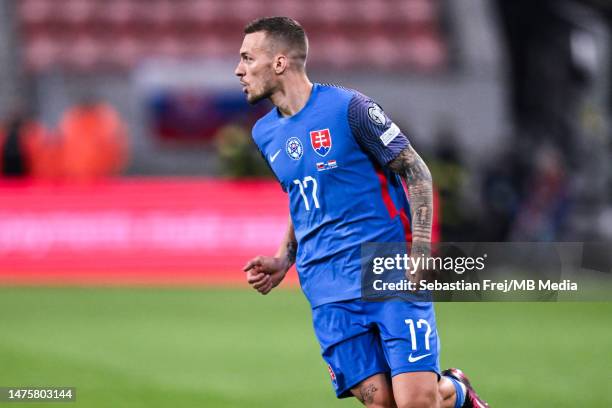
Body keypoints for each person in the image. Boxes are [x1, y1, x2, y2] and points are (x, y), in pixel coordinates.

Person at [236, 17, 488, 408]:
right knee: (381, 402)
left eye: (248, 58)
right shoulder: (264, 134)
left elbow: (415, 169)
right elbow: (303, 197)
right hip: (325, 286)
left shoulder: (350, 108)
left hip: (386, 268)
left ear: (280, 63)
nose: (239, 70)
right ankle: (453, 388)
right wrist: (284, 258)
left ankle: (455, 393)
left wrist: (420, 249)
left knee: (415, 403)